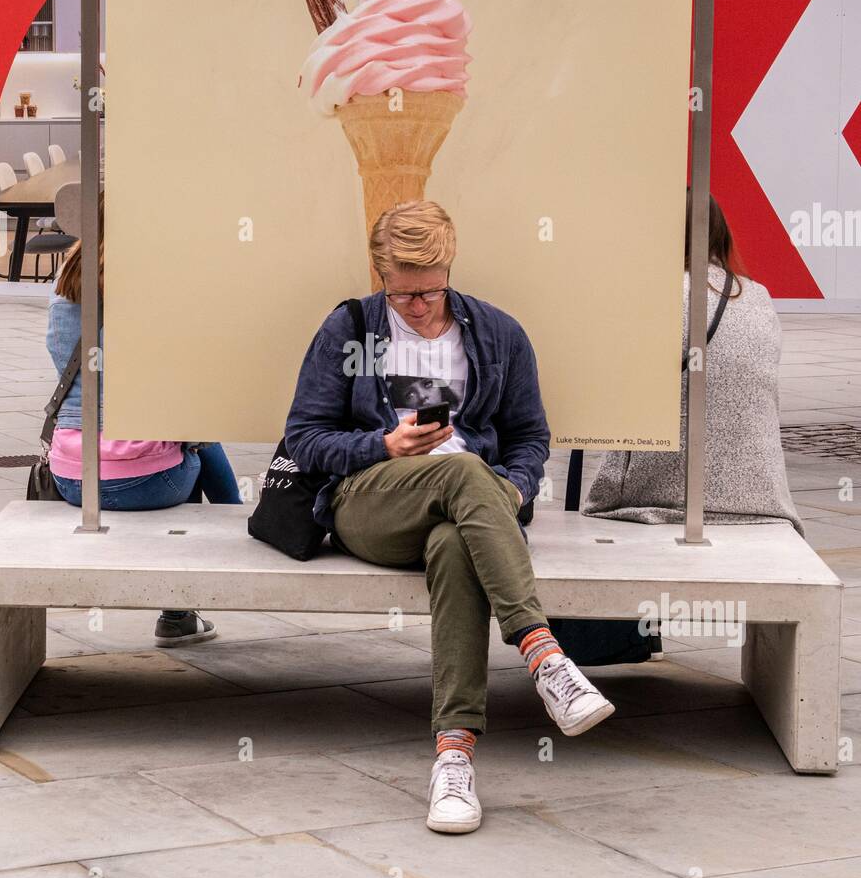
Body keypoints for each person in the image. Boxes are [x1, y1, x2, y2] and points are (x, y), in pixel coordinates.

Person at [285, 200, 614, 836]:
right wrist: (384, 445)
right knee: (464, 471)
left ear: (449, 270)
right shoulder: (349, 328)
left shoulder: (497, 333)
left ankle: (453, 758)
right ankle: (545, 657)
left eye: (431, 291)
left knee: (456, 542)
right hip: (371, 503)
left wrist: (514, 489)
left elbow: (530, 438)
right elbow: (304, 438)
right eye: (403, 294)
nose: (418, 306)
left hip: (471, 516)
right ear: (380, 275)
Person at [47, 192, 242, 645]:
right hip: (144, 482)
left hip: (71, 475)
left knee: (191, 436)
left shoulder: (64, 284)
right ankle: (185, 604)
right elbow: (184, 386)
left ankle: (236, 526)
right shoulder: (151, 292)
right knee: (198, 439)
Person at [583, 193, 803, 533]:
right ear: (720, 233)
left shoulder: (654, 292)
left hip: (657, 497)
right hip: (761, 496)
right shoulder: (758, 296)